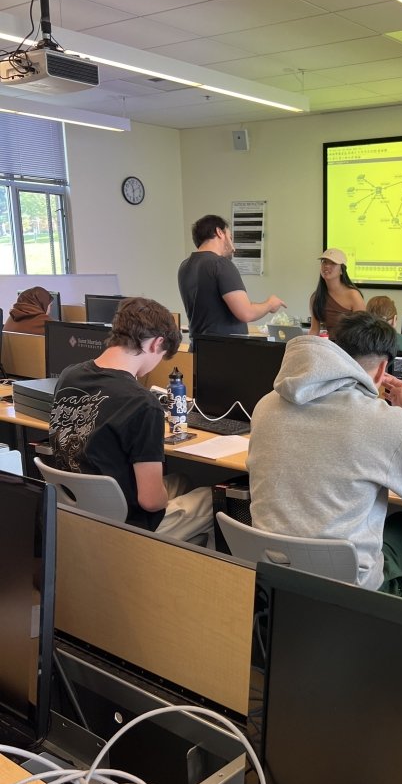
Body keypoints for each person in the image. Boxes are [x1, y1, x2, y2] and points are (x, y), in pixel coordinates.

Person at [247, 311, 402, 597]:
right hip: (349, 591)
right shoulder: (384, 421)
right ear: (382, 369)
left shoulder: (266, 405)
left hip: (273, 577)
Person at [49, 297, 213, 544]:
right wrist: (166, 503)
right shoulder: (142, 404)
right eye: (162, 356)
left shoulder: (69, 375)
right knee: (212, 500)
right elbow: (150, 501)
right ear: (156, 344)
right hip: (126, 525)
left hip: (77, 510)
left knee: (184, 480)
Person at [178, 214, 285, 346]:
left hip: (199, 348)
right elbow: (246, 313)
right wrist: (270, 304)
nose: (233, 247)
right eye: (230, 237)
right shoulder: (220, 264)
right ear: (219, 232)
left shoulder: (184, 266)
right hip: (225, 350)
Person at [309, 248, 365, 338]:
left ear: (342, 270)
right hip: (330, 348)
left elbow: (363, 330)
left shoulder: (354, 295)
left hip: (351, 348)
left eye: (333, 263)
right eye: (324, 262)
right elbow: (314, 330)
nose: (327, 266)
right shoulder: (316, 297)